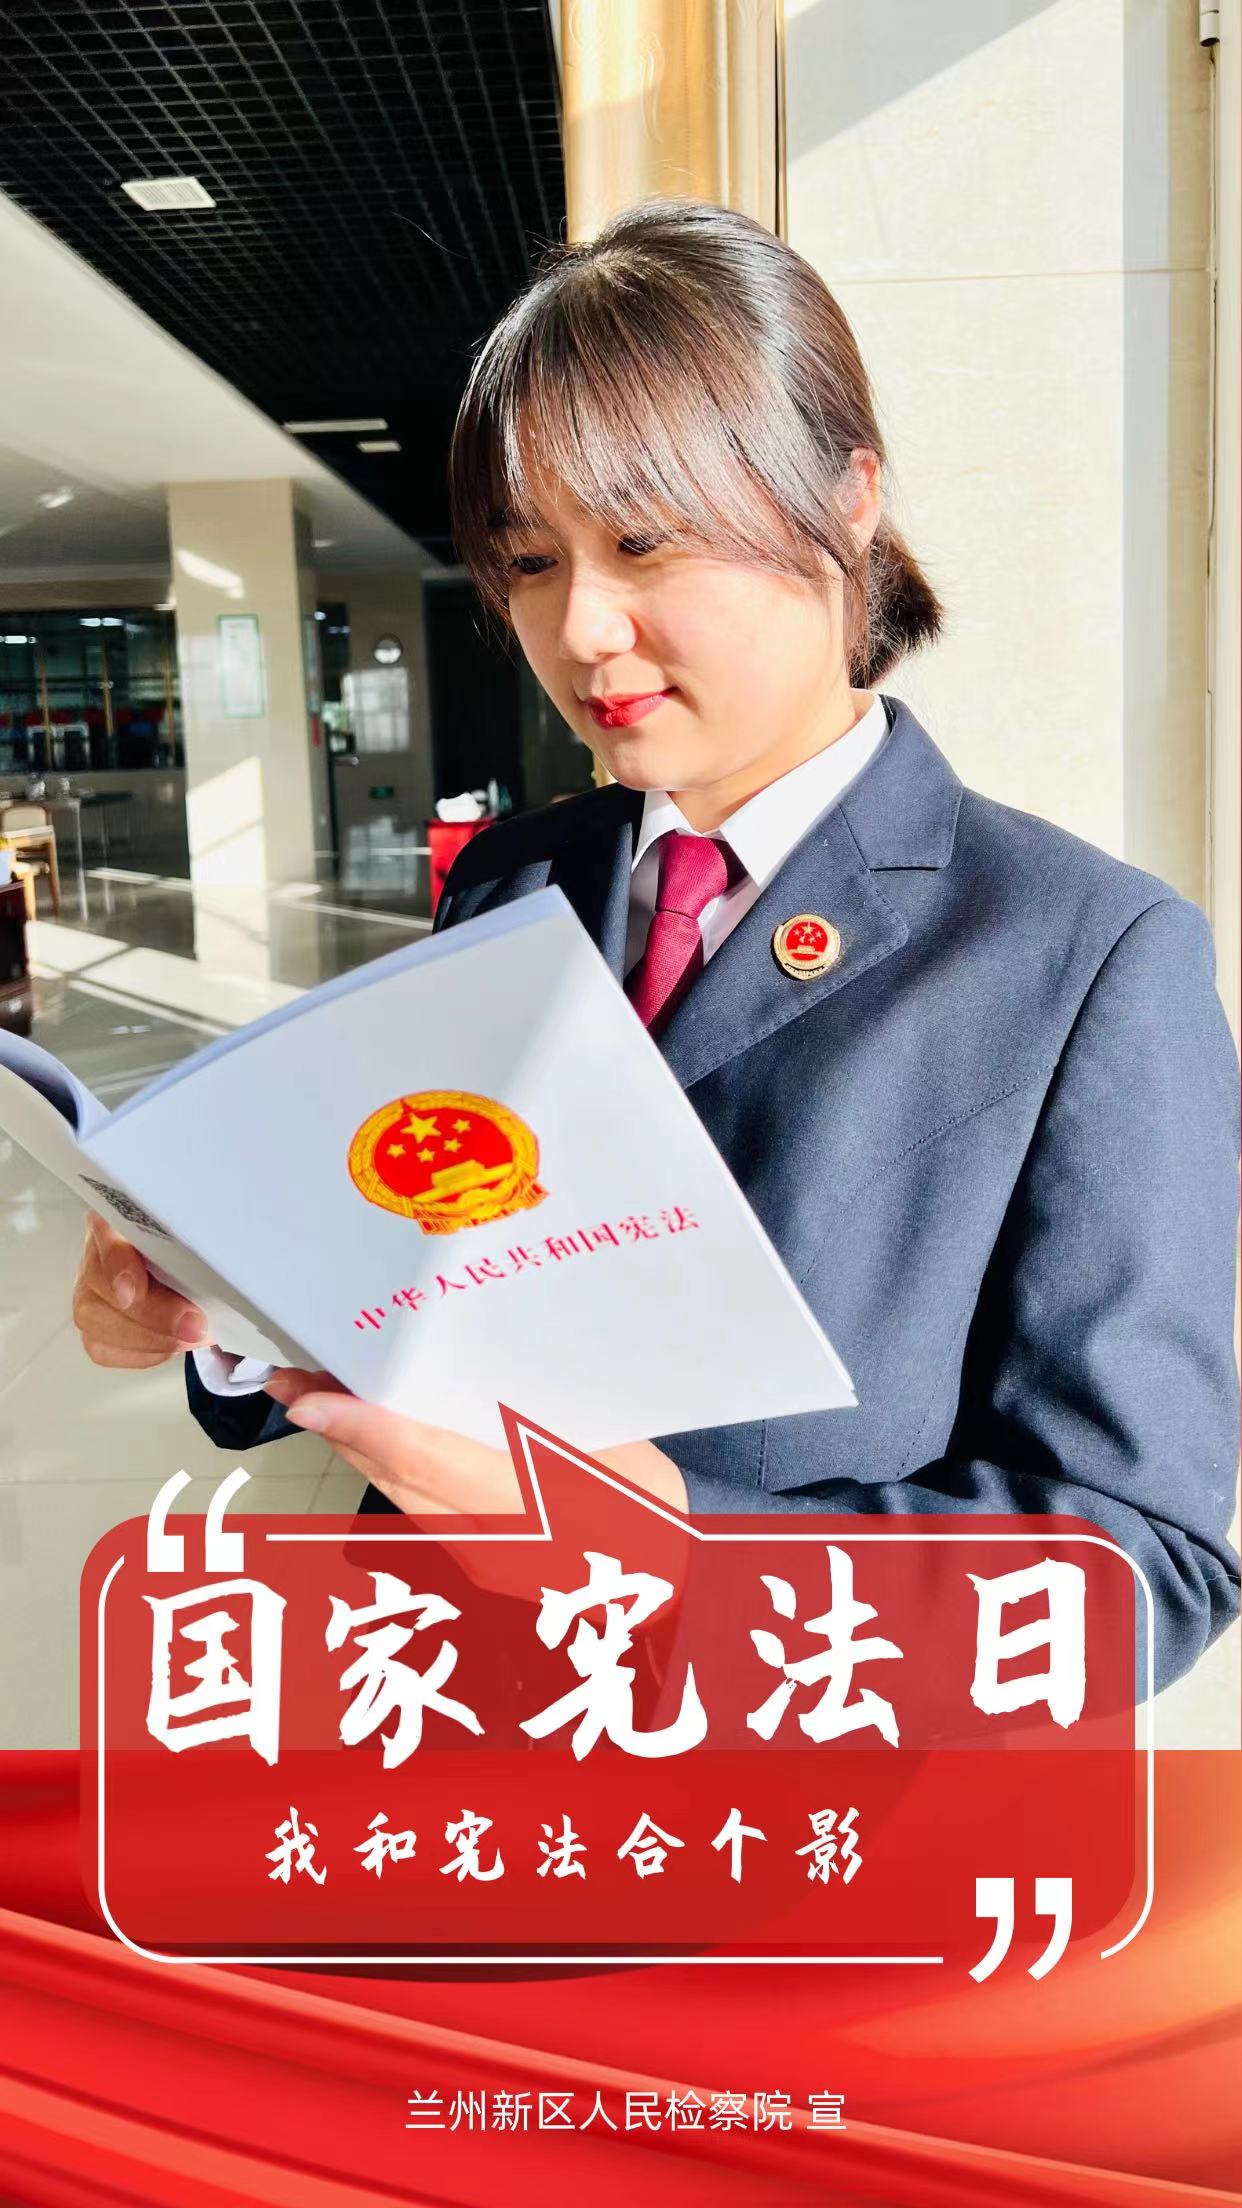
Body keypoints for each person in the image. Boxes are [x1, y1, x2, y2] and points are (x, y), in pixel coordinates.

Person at [72, 199, 1239, 1689]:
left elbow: (1140, 1568)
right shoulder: (515, 878)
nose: (581, 633)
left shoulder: (1085, 953)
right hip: (434, 1707)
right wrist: (218, 1311)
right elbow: (427, 1279)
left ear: (848, 496)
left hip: (784, 1784)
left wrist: (685, 1553)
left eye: (643, 541)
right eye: (528, 560)